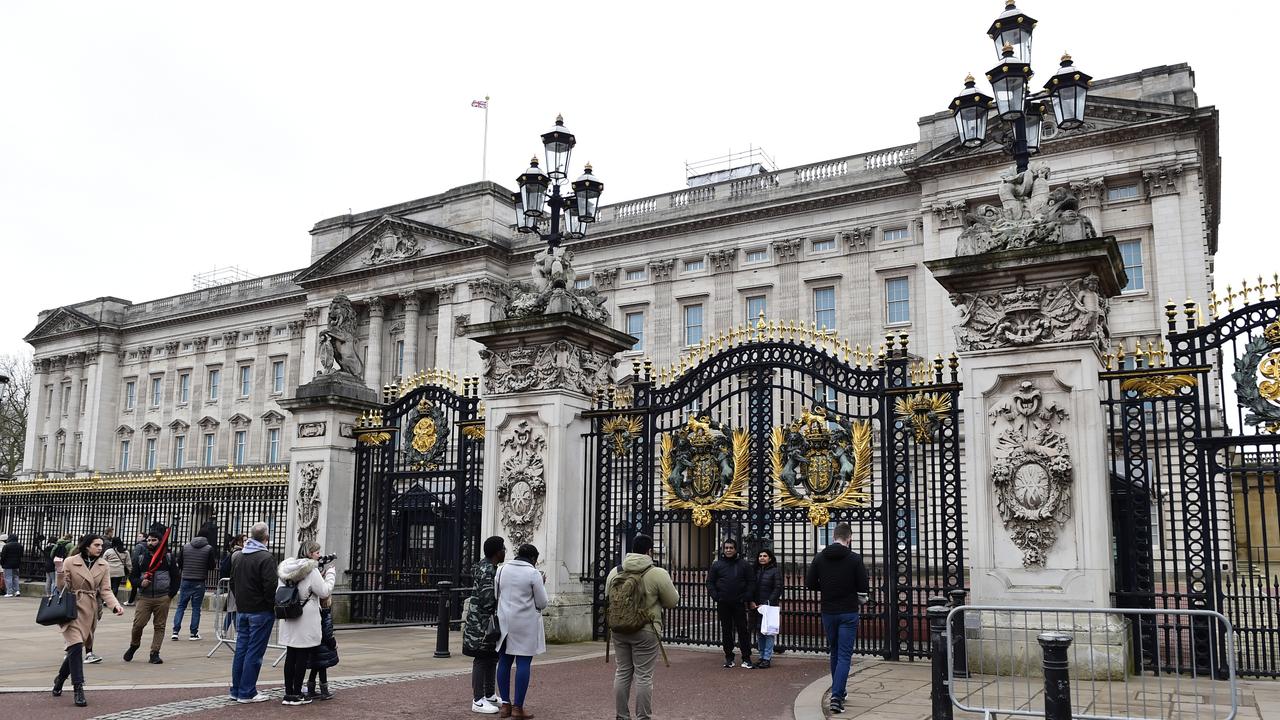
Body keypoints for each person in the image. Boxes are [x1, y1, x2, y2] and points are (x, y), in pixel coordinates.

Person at [606, 534, 679, 720]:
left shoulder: (616, 571)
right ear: (649, 551)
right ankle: (643, 716)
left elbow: (608, 596)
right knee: (644, 676)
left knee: (622, 672)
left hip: (619, 628)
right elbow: (672, 601)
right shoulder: (657, 573)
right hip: (646, 629)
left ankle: (621, 715)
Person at [51, 533, 125, 708]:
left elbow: (105, 589)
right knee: (76, 646)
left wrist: (115, 606)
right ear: (86, 546)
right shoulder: (70, 561)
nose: (100, 548)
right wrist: (60, 571)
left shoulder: (103, 564)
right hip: (71, 608)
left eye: (101, 545)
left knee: (75, 650)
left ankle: (60, 679)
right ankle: (78, 688)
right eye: (97, 545)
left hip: (90, 610)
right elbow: (62, 588)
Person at [805, 523, 869, 716]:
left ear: (833, 536)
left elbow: (810, 584)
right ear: (848, 538)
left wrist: (826, 588)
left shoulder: (819, 557)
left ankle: (838, 690)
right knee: (844, 655)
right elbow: (863, 586)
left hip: (828, 610)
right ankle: (836, 696)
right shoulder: (854, 558)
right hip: (848, 610)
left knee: (834, 652)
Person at [276, 540, 336, 706]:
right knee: (301, 657)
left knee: (291, 656)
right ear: (309, 553)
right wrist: (331, 575)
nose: (319, 555)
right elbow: (324, 591)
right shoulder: (311, 570)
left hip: (289, 615)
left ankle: (288, 693)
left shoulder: (286, 569)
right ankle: (297, 694)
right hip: (305, 618)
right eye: (317, 552)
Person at [495, 543, 548, 719]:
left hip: (505, 622)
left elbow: (497, 595)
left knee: (504, 661)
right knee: (523, 663)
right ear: (533, 559)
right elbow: (542, 602)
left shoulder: (501, 570)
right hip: (525, 623)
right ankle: (518, 708)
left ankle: (505, 705)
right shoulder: (533, 573)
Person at [229, 521, 279, 704]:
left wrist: (242, 600)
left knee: (241, 650)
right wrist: (269, 604)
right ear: (266, 538)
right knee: (254, 653)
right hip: (260, 611)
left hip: (242, 610)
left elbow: (232, 582)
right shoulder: (265, 558)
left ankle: (236, 689)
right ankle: (247, 691)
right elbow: (270, 586)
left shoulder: (240, 556)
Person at [462, 535, 506, 714]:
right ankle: (478, 699)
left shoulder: (485, 567)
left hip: (480, 620)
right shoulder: (489, 571)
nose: (505, 552)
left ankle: (489, 694)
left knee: (491, 657)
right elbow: (489, 600)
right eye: (503, 548)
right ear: (497, 552)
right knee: (481, 658)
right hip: (482, 623)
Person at [124, 523, 179, 664]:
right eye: (148, 540)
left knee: (159, 626)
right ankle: (134, 645)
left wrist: (170, 595)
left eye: (154, 540)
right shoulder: (141, 558)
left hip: (162, 597)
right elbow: (133, 577)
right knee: (138, 624)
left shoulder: (168, 557)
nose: (150, 542)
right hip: (145, 597)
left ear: (160, 542)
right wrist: (140, 582)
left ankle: (154, 653)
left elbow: (176, 577)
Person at [706, 537, 753, 668]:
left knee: (743, 630)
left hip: (739, 602)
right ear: (723, 549)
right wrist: (716, 596)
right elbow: (710, 582)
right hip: (723, 602)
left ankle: (746, 657)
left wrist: (746, 596)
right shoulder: (717, 565)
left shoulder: (744, 564)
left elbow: (751, 582)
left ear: (736, 549)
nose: (728, 550)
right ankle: (729, 657)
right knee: (726, 630)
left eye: (731, 548)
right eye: (726, 548)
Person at [172, 532, 216, 641]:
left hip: (186, 579)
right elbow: (211, 566)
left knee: (181, 606)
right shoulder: (208, 548)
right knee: (196, 608)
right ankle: (193, 633)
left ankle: (175, 632)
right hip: (199, 581)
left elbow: (180, 562)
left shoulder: (185, 547)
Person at [749, 548, 783, 669]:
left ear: (770, 558)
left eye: (765, 556)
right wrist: (752, 601)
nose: (762, 558)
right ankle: (761, 656)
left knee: (768, 633)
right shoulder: (755, 570)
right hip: (756, 606)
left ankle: (767, 658)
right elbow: (751, 587)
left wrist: (767, 602)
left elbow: (778, 588)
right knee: (759, 632)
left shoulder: (775, 571)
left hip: (769, 606)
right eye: (760, 556)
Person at [306, 594, 338, 701]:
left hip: (313, 645)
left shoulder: (315, 612)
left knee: (314, 668)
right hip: (323, 647)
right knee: (323, 669)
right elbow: (328, 633)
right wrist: (333, 644)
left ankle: (310, 690)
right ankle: (325, 691)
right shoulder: (325, 614)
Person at [221, 534, 245, 637]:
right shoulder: (238, 554)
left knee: (232, 609)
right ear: (239, 542)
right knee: (235, 609)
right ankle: (237, 632)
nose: (246, 542)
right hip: (236, 584)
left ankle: (225, 630)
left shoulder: (235, 552)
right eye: (244, 540)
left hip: (235, 584)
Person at [103, 537, 131, 601]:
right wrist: (129, 570)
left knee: (108, 586)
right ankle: (112, 600)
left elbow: (103, 561)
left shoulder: (108, 551)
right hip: (119, 572)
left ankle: (106, 600)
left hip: (109, 571)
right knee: (115, 586)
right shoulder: (125, 551)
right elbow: (128, 563)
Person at [125, 532, 146, 605]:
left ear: (144, 538)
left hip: (136, 568)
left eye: (140, 536)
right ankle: (132, 600)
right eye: (138, 536)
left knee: (133, 582)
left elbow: (135, 558)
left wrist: (132, 567)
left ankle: (131, 601)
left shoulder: (139, 546)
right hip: (143, 567)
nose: (138, 537)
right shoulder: (147, 545)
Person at [1, 532, 22, 597]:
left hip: (7, 565)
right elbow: (21, 555)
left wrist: (2, 563)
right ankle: (17, 591)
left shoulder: (6, 546)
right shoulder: (20, 546)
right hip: (16, 564)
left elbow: (3, 556)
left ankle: (9, 592)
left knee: (8, 578)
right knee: (16, 577)